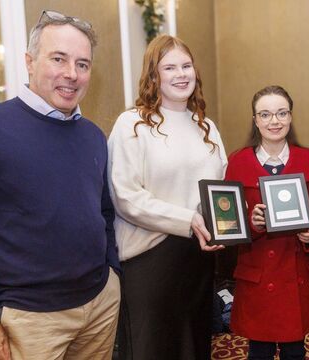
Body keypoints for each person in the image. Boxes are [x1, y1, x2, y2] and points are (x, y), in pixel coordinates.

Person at [0, 10, 120, 360]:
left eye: (83, 64)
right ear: (29, 61)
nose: (72, 74)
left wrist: (112, 271)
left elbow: (103, 210)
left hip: (99, 303)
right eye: (59, 59)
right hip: (28, 319)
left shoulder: (92, 135)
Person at [108, 34, 227, 360]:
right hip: (150, 260)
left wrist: (222, 224)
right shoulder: (132, 124)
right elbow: (125, 196)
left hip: (198, 256)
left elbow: (219, 187)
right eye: (170, 67)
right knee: (154, 350)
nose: (181, 74)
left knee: (195, 345)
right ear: (153, 76)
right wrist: (187, 219)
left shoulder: (207, 127)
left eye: (186, 65)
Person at [224, 85, 309, 360]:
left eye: (282, 113)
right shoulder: (238, 162)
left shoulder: (308, 159)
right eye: (266, 114)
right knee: (259, 350)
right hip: (257, 273)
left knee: (295, 350)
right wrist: (253, 222)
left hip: (296, 273)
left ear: (291, 117)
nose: (275, 121)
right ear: (255, 120)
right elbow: (229, 220)